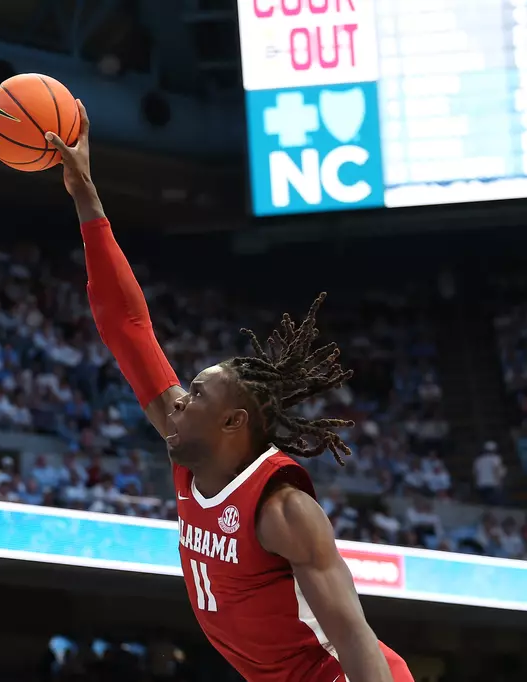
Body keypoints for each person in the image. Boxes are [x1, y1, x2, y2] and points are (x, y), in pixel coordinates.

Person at [46, 105, 414, 682]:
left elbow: (352, 634)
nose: (178, 400)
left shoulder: (283, 509)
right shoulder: (189, 447)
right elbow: (126, 327)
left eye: (195, 394)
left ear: (233, 423)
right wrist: (86, 198)